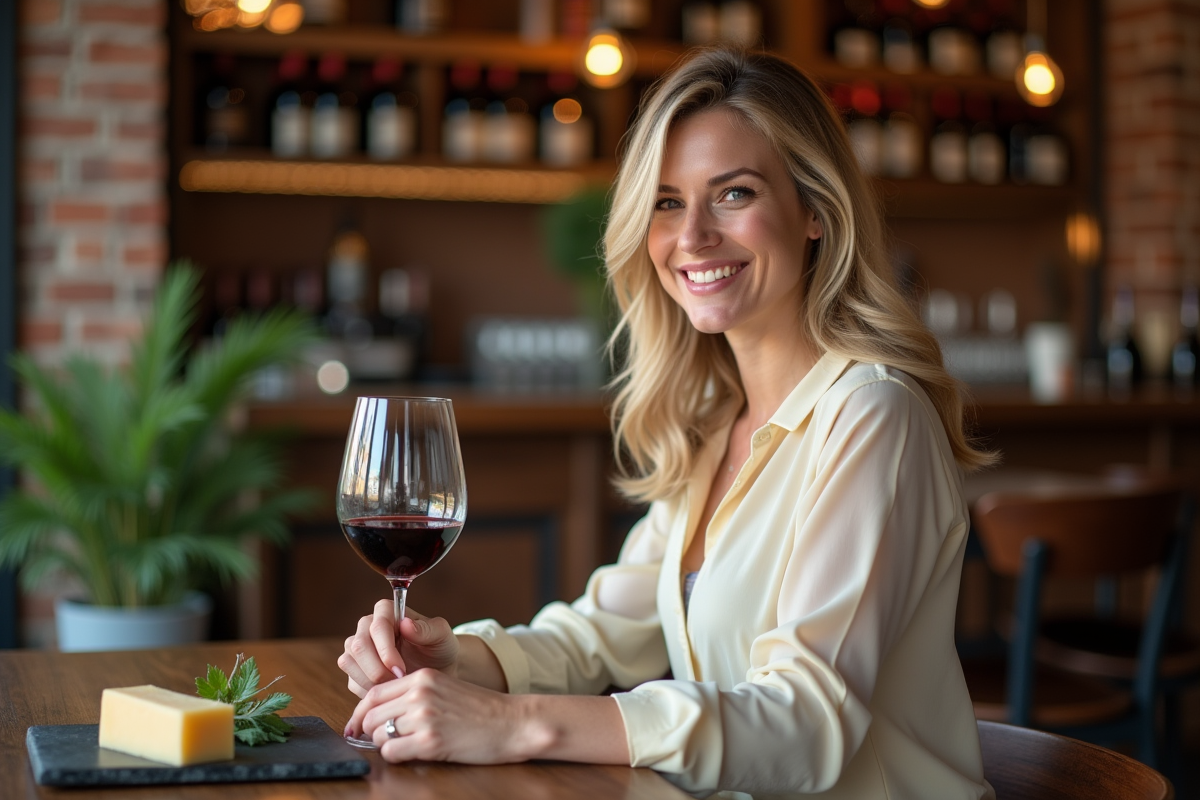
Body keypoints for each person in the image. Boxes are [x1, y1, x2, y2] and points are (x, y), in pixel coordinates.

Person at [339, 47, 996, 799]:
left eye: (735, 193)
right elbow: (601, 633)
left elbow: (809, 721)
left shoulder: (873, 415)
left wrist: (514, 722)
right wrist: (456, 662)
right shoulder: (714, 422)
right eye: (667, 201)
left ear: (816, 211)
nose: (693, 236)